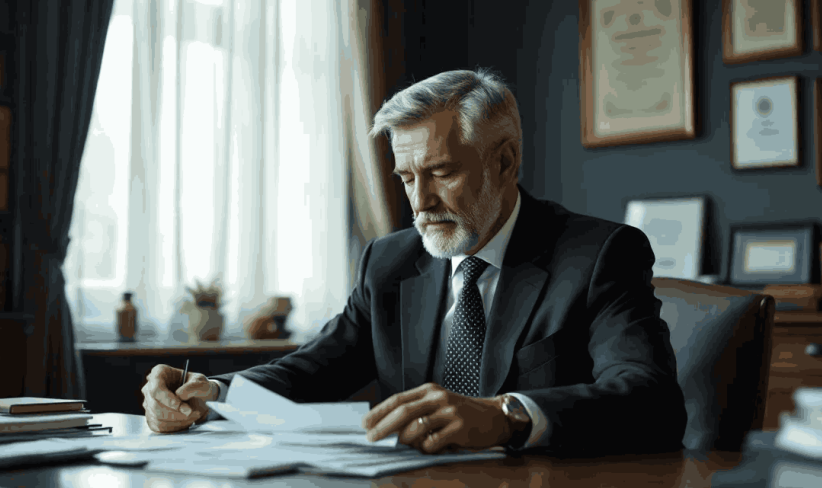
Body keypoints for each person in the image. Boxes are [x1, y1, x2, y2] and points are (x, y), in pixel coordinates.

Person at [142, 69, 687, 457]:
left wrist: (504, 416)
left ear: (504, 162)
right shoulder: (390, 261)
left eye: (442, 172)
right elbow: (313, 368)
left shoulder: (598, 255)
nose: (420, 202)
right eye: (407, 178)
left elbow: (652, 400)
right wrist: (212, 393)